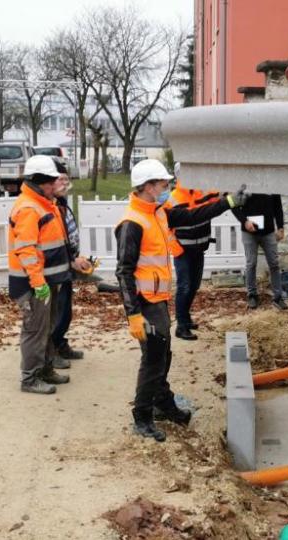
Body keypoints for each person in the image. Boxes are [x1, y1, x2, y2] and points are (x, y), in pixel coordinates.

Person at [115, 159, 247, 441]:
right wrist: (133, 314)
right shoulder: (132, 223)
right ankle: (143, 415)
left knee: (163, 355)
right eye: (163, 183)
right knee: (153, 358)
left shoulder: (158, 213)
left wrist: (229, 202)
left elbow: (194, 215)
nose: (168, 187)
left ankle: (163, 403)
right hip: (144, 303)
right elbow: (123, 271)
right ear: (149, 187)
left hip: (158, 298)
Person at [8, 155, 72, 394]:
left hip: (47, 281)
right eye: (49, 182)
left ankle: (45, 369)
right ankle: (30, 378)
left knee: (46, 328)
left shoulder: (45, 205)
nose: (53, 186)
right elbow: (26, 250)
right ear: (37, 182)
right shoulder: (28, 208)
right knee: (35, 331)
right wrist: (37, 283)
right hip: (34, 284)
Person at [168, 162, 220, 341]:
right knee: (184, 286)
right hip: (183, 250)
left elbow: (219, 201)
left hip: (199, 248)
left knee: (194, 285)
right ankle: (181, 326)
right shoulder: (173, 198)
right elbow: (166, 228)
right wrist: (176, 249)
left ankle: (186, 317)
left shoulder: (204, 191)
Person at [50, 163, 94, 363]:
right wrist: (71, 259)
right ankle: (51, 350)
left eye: (67, 179)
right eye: (61, 179)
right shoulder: (51, 206)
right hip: (56, 268)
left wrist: (76, 258)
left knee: (65, 311)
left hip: (67, 265)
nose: (65, 183)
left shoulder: (62, 202)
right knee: (57, 312)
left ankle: (60, 343)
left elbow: (67, 237)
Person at [231, 193, 287, 310]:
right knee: (251, 263)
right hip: (249, 232)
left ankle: (278, 297)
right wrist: (244, 221)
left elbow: (278, 207)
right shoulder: (245, 185)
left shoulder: (271, 184)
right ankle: (252, 295)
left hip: (268, 232)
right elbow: (233, 205)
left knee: (274, 263)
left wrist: (281, 227)